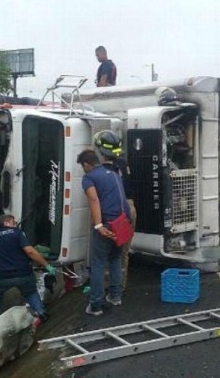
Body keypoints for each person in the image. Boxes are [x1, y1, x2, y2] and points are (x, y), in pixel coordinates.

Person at [77, 149, 131, 315]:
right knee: (115, 258)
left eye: (82, 166)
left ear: (87, 164)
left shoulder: (89, 177)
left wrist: (99, 225)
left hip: (107, 223)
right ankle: (115, 296)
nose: (83, 169)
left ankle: (95, 305)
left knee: (98, 264)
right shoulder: (114, 173)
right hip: (121, 222)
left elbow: (94, 199)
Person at [93, 130, 137, 290]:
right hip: (129, 208)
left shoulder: (104, 170)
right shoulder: (123, 164)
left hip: (114, 211)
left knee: (105, 253)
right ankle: (118, 288)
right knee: (121, 253)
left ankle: (105, 287)